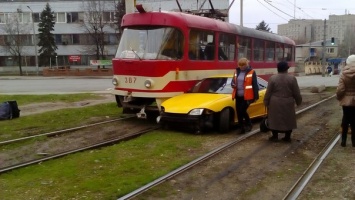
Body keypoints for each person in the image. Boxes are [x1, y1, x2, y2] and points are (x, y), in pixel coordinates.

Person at [263, 61, 302, 142]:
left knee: (274, 119)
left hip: (275, 102)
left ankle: (275, 136)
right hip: (288, 101)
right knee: (288, 119)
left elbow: (268, 92)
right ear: (286, 69)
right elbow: (296, 92)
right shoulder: (292, 78)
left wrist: (266, 102)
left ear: (278, 69)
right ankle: (287, 137)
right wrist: (298, 101)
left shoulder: (272, 78)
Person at [231, 58, 259, 134]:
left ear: (247, 64)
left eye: (243, 65)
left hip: (247, 96)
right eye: (240, 65)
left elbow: (255, 84)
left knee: (242, 111)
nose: (242, 67)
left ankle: (248, 124)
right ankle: (241, 128)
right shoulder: (236, 71)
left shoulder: (252, 72)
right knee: (239, 112)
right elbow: (233, 81)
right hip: (238, 95)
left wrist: (256, 96)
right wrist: (233, 84)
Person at [336, 54, 355, 147]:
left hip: (346, 101)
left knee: (345, 119)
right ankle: (354, 142)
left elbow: (340, 89)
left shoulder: (343, 74)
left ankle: (343, 141)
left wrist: (339, 97)